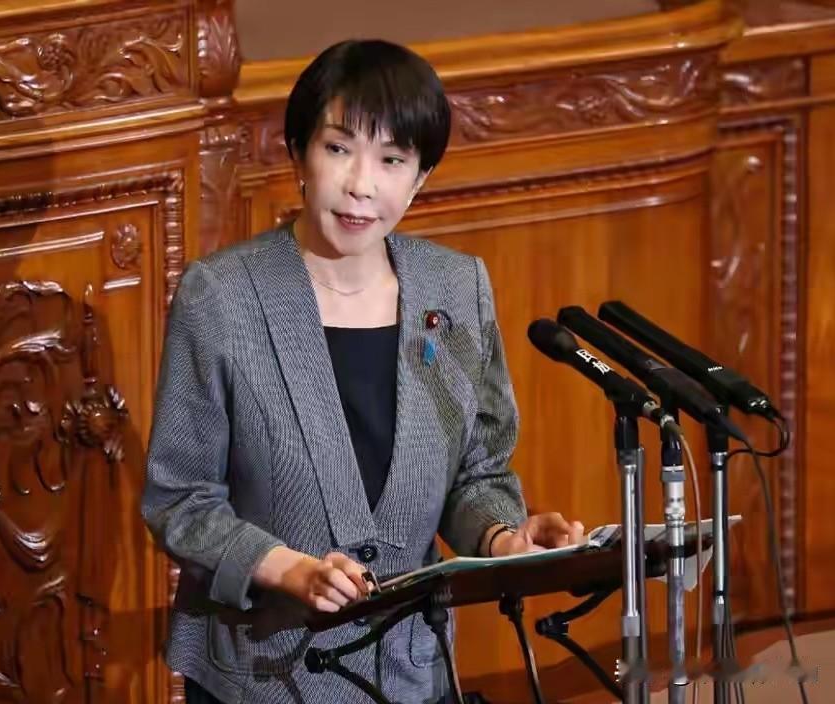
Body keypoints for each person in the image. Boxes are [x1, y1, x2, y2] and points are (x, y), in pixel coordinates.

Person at [142, 39, 584, 704]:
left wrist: (503, 537)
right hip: (265, 677)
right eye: (339, 148)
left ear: (421, 176)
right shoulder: (221, 297)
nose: (361, 184)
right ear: (298, 152)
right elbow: (180, 501)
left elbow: (478, 474)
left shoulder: (456, 289)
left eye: (392, 159)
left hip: (413, 672)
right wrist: (288, 569)